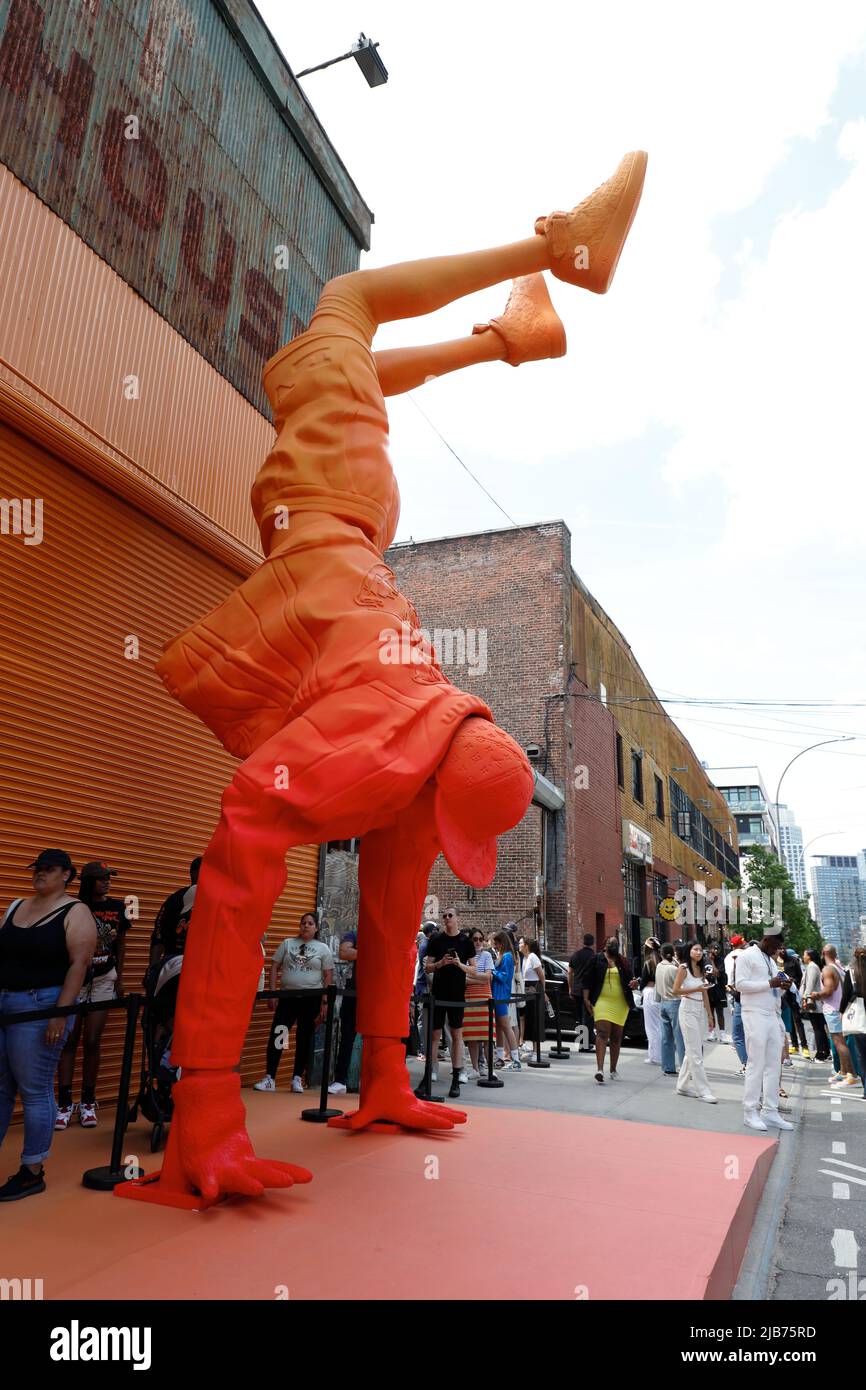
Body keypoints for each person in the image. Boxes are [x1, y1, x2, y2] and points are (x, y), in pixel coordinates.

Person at [147, 156, 647, 1194]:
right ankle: (372, 1073)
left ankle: (556, 248)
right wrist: (493, 346)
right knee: (393, 864)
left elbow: (249, 816)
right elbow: (390, 368)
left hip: (337, 554)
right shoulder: (420, 704)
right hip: (351, 566)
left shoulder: (328, 363)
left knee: (320, 840)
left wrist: (504, 328)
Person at [0, 850, 97, 1201]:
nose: (40, 874)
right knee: (1, 1088)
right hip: (6, 1001)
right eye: (37, 869)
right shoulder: (15, 907)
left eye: (49, 869)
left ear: (67, 875)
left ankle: (32, 1171)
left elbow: (79, 964)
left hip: (41, 1005)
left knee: (35, 1088)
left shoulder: (75, 912)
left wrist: (60, 1013)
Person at [55, 860, 132, 1130]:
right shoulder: (74, 908)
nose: (107, 882)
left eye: (109, 877)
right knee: (68, 1041)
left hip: (103, 979)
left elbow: (121, 944)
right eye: (101, 878)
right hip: (76, 979)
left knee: (92, 1041)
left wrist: (119, 979)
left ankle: (88, 1102)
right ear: (89, 882)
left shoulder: (117, 908)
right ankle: (64, 1103)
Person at [254, 912, 333, 1093]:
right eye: (303, 923)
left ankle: (297, 1078)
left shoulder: (322, 948)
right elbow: (274, 966)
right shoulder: (288, 944)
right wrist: (273, 993)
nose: (306, 926)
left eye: (310, 923)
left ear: (316, 928)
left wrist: (325, 1003)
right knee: (280, 1035)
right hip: (288, 998)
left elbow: (328, 975)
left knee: (303, 1038)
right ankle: (270, 1078)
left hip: (311, 999)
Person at [736, 928, 794, 1131]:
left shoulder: (770, 960)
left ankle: (770, 1111)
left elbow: (772, 988)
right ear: (767, 940)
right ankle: (750, 1111)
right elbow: (740, 984)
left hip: (772, 1015)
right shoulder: (746, 955)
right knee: (756, 1064)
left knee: (773, 1065)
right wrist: (770, 983)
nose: (778, 951)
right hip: (754, 1013)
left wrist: (782, 986)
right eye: (776, 946)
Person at [421, 913, 475, 1098]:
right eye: (444, 915)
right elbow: (426, 967)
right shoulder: (436, 940)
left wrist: (460, 964)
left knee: (456, 1034)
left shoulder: (465, 942)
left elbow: (474, 969)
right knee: (434, 1034)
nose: (447, 918)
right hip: (438, 993)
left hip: (457, 994)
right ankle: (428, 1075)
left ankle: (456, 1077)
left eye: (450, 915)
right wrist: (440, 963)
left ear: (457, 918)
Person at [806, 944, 859, 1088]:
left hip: (833, 1010)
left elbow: (829, 990)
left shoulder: (828, 969)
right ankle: (842, 1071)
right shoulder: (839, 968)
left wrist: (816, 994)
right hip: (840, 1009)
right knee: (840, 1041)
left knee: (839, 1043)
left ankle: (852, 1075)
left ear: (823, 953)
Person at [583, 937, 634, 1084]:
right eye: (610, 943)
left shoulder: (622, 961)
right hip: (601, 1001)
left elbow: (630, 981)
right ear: (604, 945)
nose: (612, 946)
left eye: (615, 944)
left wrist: (634, 983)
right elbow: (586, 980)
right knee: (602, 1033)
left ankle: (613, 1069)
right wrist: (586, 999)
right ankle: (600, 1070)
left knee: (617, 1037)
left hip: (620, 1003)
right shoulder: (596, 959)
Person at [671, 941, 717, 1104]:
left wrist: (710, 1015)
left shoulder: (701, 969)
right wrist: (696, 989)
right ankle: (703, 1090)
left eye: (700, 950)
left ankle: (682, 1086)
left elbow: (704, 992)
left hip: (699, 1010)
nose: (698, 952)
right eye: (695, 949)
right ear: (688, 951)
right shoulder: (683, 968)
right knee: (696, 1052)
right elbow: (676, 991)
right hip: (687, 1008)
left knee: (694, 1049)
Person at [454, 928, 495, 1078]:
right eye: (475, 939)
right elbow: (462, 978)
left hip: (484, 997)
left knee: (487, 1037)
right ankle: (475, 1069)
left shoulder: (487, 955)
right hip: (470, 997)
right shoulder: (465, 957)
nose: (478, 942)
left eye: (480, 939)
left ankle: (489, 1068)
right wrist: (479, 977)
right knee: (472, 1037)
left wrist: (473, 977)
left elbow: (488, 978)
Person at [149, 857, 201, 969]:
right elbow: (158, 935)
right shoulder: (175, 900)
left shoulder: (214, 902)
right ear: (196, 873)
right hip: (175, 966)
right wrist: (153, 968)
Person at [328, 928, 359, 1096]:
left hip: (377, 993)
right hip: (353, 992)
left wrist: (358, 951)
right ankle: (340, 1080)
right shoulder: (355, 933)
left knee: (376, 1038)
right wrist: (372, 951)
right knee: (347, 1036)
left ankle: (374, 1080)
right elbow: (344, 952)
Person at [490, 930, 521, 1069]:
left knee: (506, 1027)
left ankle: (515, 1060)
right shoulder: (505, 955)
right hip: (498, 994)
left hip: (501, 995)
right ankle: (501, 1057)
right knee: (501, 1028)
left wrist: (491, 971)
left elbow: (505, 977)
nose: (495, 946)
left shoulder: (507, 956)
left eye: (496, 943)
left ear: (501, 943)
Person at [654, 943, 685, 1075]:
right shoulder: (674, 969)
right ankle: (684, 1066)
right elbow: (680, 986)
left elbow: (657, 985)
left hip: (663, 1002)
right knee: (679, 1037)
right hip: (675, 1001)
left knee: (666, 1037)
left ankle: (668, 1066)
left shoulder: (659, 967)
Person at [839, 948, 866, 1098]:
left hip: (859, 1019)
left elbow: (845, 995)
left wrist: (842, 1011)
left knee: (862, 1055)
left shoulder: (852, 972)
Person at [725, 934, 749, 1073]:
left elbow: (730, 980)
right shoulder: (749, 955)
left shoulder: (729, 957)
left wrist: (731, 1001)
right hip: (751, 996)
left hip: (737, 996)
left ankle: (747, 1064)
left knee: (738, 1034)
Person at [568, 933, 596, 1051]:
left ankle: (581, 1042)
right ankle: (585, 1044)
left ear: (583, 942)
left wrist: (570, 987)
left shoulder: (576, 955)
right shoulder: (594, 957)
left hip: (576, 990)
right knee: (588, 1017)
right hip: (588, 991)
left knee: (579, 1017)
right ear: (593, 943)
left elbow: (569, 972)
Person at [801, 947, 830, 1061]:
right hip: (816, 1001)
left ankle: (821, 1054)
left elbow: (810, 984)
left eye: (804, 954)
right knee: (819, 1028)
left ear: (809, 956)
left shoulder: (812, 967)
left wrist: (806, 998)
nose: (803, 957)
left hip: (814, 1002)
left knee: (817, 1028)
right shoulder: (813, 966)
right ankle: (825, 1051)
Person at [519, 937, 546, 1055]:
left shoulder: (533, 957)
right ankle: (524, 1043)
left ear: (526, 945)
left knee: (534, 1018)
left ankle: (536, 1050)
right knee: (526, 1017)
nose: (519, 945)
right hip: (526, 989)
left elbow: (542, 976)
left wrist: (543, 991)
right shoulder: (524, 958)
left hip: (534, 988)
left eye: (520, 943)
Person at [638, 937, 662, 1065]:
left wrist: (640, 988)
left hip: (650, 992)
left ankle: (654, 1056)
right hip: (660, 993)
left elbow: (644, 981)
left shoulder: (648, 963)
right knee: (659, 1026)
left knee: (651, 1027)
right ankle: (659, 1054)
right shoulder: (661, 961)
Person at [705, 943, 728, 1042]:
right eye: (714, 949)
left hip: (719, 989)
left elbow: (717, 973)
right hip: (709, 989)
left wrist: (712, 961)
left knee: (720, 1012)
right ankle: (712, 1032)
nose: (716, 951)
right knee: (710, 1012)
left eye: (717, 949)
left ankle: (722, 1034)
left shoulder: (720, 960)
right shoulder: (704, 960)